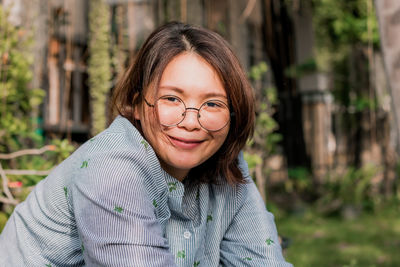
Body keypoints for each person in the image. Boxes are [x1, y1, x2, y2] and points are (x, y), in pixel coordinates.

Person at [0, 22, 292, 266]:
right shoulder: (112, 172)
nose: (191, 121)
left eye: (212, 103)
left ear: (233, 113)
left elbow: (263, 261)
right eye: (171, 99)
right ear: (138, 105)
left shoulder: (227, 163)